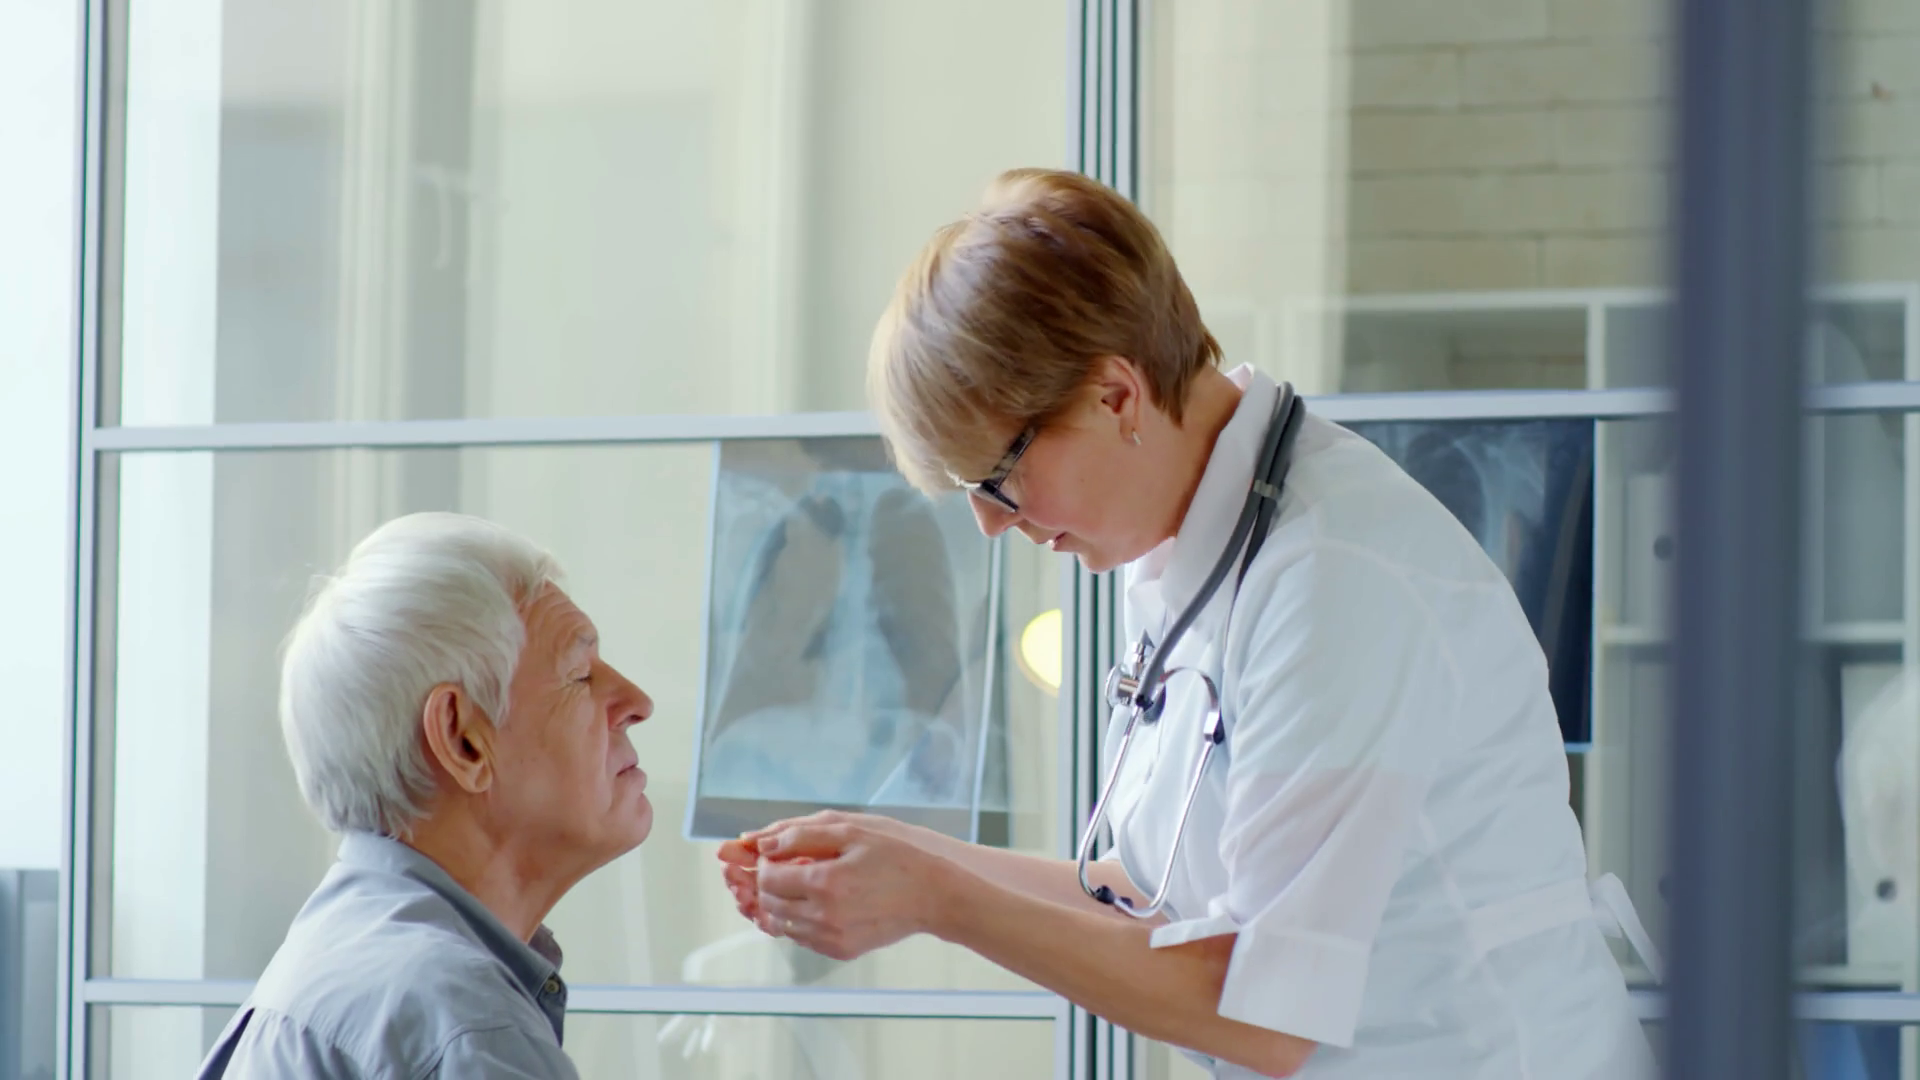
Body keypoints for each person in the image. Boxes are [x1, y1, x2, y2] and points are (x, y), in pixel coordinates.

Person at [718, 169, 1655, 1078]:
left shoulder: (1332, 576)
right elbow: (1137, 894)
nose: (993, 523)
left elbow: (1266, 1009)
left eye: (996, 478)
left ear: (1115, 395)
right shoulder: (1184, 547)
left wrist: (933, 898)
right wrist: (893, 849)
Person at [197, 512, 654, 1079]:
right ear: (464, 740)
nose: (637, 702)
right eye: (580, 675)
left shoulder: (338, 960)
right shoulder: (464, 1027)